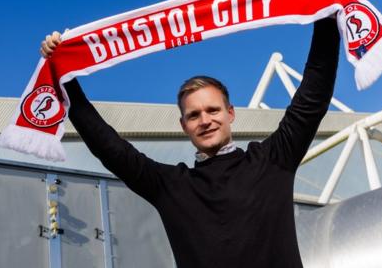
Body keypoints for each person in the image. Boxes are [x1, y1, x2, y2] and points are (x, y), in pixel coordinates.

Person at [41, 17, 340, 268]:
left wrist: (325, 17)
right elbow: (108, 146)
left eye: (213, 110)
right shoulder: (171, 186)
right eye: (194, 115)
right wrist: (63, 74)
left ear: (230, 113)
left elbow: (311, 100)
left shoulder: (273, 160)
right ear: (184, 126)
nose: (205, 120)